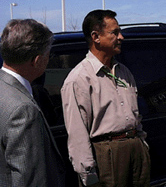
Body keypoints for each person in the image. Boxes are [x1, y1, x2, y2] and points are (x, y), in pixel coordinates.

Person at [61, 10, 150, 187]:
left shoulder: (124, 72)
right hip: (107, 156)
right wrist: (88, 174)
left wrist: (142, 144)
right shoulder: (79, 78)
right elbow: (77, 132)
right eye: (114, 32)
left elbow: (135, 114)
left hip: (135, 150)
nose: (121, 37)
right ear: (96, 37)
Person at [0, 19, 65, 186]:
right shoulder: (24, 110)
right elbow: (29, 179)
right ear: (37, 60)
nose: (48, 59)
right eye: (47, 55)